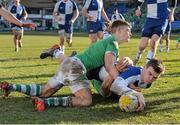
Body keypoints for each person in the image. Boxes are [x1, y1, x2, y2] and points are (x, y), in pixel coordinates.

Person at [0, 20, 132, 111]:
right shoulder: (113, 43)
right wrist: (125, 88)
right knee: (86, 100)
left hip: (70, 63)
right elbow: (109, 67)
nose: (130, 34)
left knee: (44, 91)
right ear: (119, 31)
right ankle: (45, 103)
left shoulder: (108, 40)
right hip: (76, 67)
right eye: (128, 31)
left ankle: (11, 86)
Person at [90, 58, 165, 112]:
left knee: (114, 95)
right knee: (106, 93)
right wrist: (137, 94)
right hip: (94, 71)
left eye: (155, 78)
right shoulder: (134, 72)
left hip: (108, 79)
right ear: (145, 67)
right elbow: (115, 86)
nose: (150, 78)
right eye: (150, 73)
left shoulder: (147, 84)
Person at [133, 0, 177, 65]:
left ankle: (147, 65)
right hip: (150, 20)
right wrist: (137, 9)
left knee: (154, 40)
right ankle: (138, 55)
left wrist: (172, 13)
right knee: (142, 45)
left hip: (162, 19)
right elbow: (138, 3)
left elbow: (174, 1)